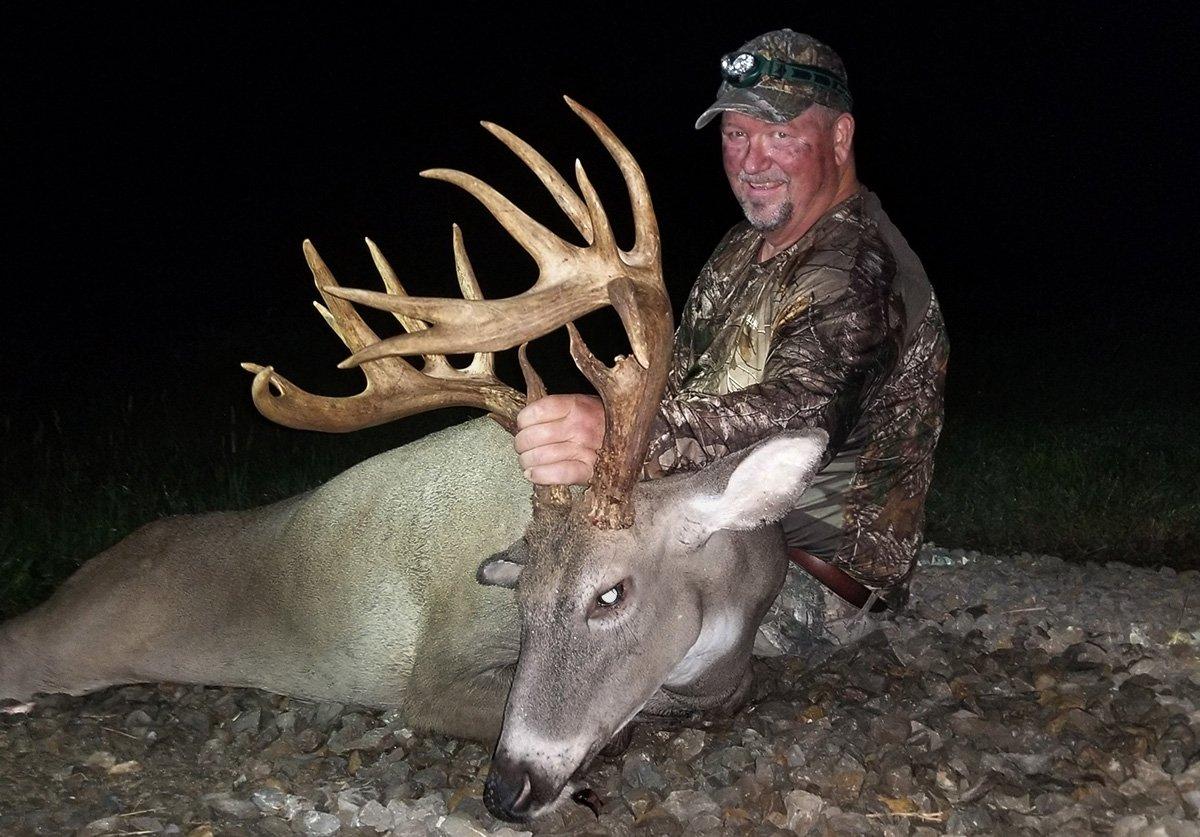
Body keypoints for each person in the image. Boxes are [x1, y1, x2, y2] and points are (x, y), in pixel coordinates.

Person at [513, 29, 948, 650]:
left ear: (840, 138)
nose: (751, 161)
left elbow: (803, 418)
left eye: (779, 135)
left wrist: (626, 433)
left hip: (803, 581)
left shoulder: (859, 265)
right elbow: (681, 381)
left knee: (566, 616)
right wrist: (611, 408)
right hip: (703, 520)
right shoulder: (740, 250)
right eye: (736, 135)